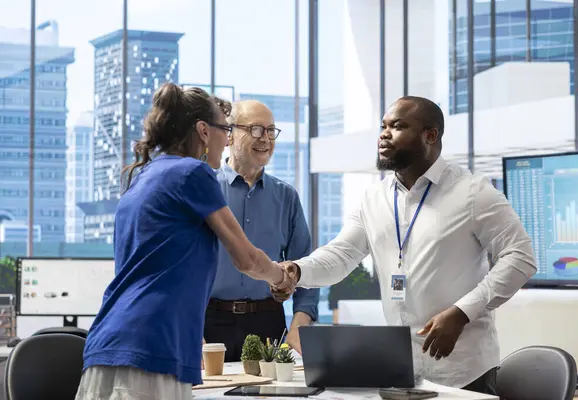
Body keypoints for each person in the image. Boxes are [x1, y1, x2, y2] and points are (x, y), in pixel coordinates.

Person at [273, 96, 536, 395]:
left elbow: (520, 257)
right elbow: (341, 255)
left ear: (430, 135)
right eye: (383, 126)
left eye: (397, 126)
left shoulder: (473, 193)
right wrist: (297, 270)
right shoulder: (374, 198)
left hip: (464, 369)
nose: (384, 134)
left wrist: (462, 312)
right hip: (401, 370)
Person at [75, 83, 292, 400]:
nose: (227, 139)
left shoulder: (144, 177)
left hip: (107, 349)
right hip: (151, 350)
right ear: (204, 131)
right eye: (225, 129)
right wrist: (279, 278)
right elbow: (246, 258)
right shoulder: (193, 173)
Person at [203, 100, 319, 360]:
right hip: (210, 324)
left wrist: (298, 329)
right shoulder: (205, 189)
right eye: (255, 129)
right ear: (229, 134)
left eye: (270, 131)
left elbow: (307, 269)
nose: (265, 139)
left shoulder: (286, 196)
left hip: (269, 323)